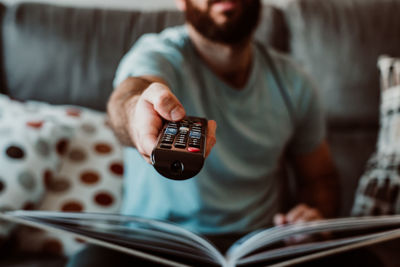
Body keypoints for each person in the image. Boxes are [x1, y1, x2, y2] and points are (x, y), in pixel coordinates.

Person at [68, 0, 340, 266]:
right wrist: (136, 113)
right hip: (153, 244)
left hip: (255, 245)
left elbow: (320, 178)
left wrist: (312, 219)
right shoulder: (157, 53)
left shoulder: (294, 81)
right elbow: (131, 94)